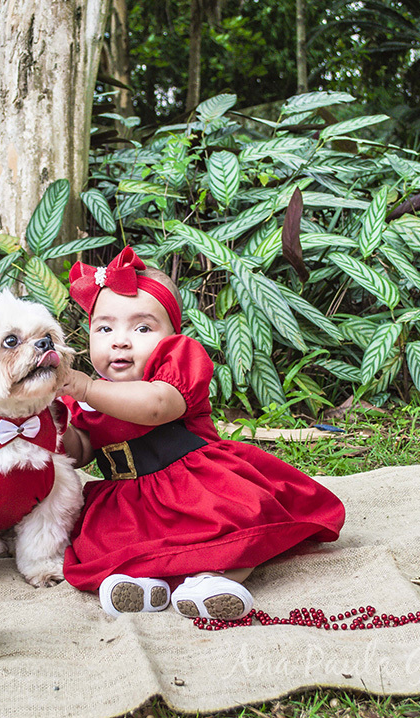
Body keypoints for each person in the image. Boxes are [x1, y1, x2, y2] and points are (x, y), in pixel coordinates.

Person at [58, 246, 346, 621]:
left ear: (171, 334)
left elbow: (158, 405)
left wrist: (84, 389)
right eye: (105, 327)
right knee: (112, 545)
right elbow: (79, 451)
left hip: (195, 483)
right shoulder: (91, 395)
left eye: (142, 327)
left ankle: (214, 579)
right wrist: (51, 422)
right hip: (130, 500)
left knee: (230, 528)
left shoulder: (176, 360)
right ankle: (146, 586)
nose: (120, 340)